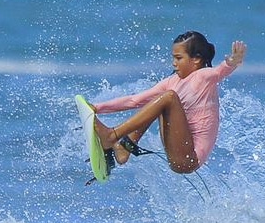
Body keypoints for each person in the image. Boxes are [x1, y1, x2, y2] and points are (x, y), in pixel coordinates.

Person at [90, 31, 247, 174]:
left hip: (189, 159)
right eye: (173, 57)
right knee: (159, 100)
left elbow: (220, 71)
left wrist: (232, 61)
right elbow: (134, 100)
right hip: (177, 149)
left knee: (168, 97)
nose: (174, 63)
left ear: (196, 60)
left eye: (179, 58)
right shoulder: (172, 82)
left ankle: (112, 135)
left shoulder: (203, 77)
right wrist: (96, 108)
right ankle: (125, 146)